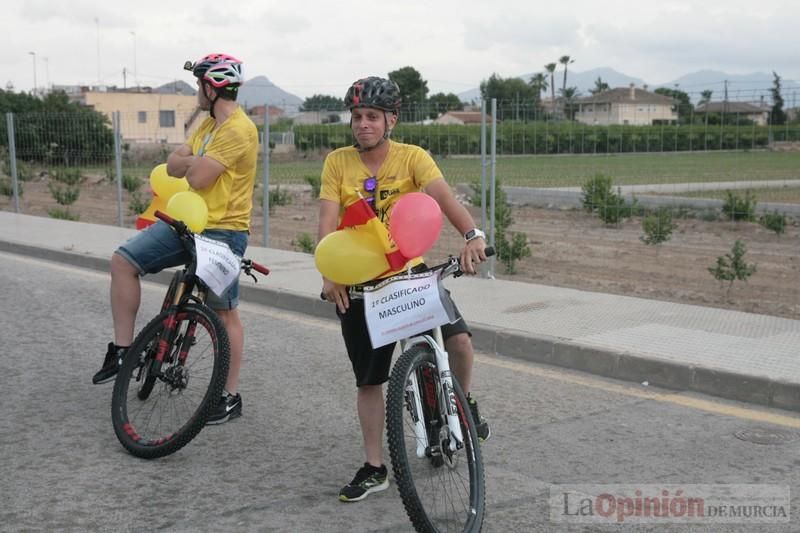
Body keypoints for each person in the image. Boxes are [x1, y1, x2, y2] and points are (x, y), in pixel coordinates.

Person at [318, 76, 491, 503]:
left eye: (372, 117)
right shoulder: (337, 163)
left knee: (461, 343)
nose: (362, 125)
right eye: (357, 117)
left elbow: (444, 199)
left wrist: (473, 234)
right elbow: (325, 222)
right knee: (369, 382)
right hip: (359, 284)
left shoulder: (413, 157)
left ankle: (462, 404)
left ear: (391, 119)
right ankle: (375, 468)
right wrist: (329, 274)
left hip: (409, 278)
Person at [92, 53, 259, 425]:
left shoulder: (239, 129)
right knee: (123, 262)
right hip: (186, 221)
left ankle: (228, 397)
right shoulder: (207, 127)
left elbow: (197, 177)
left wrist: (193, 165)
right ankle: (122, 351)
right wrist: (193, 163)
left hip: (223, 231)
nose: (195, 91)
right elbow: (173, 164)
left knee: (224, 312)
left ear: (211, 87)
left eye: (198, 83)